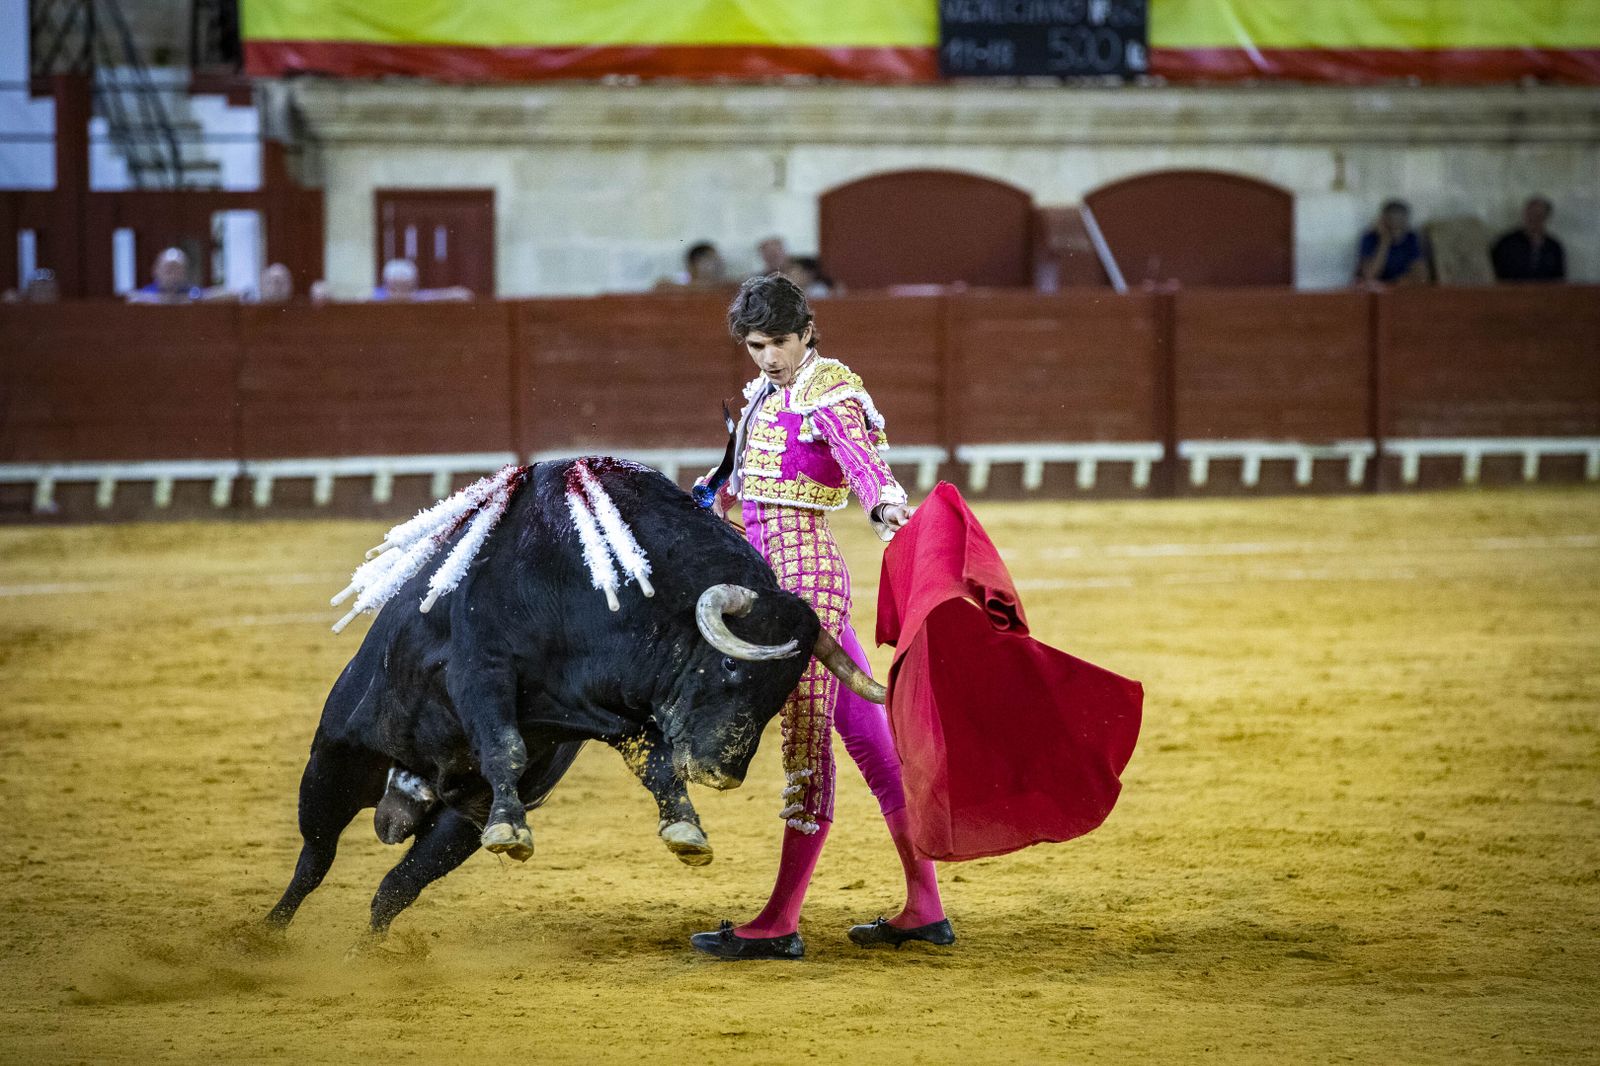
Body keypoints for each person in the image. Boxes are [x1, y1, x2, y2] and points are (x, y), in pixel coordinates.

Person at [689, 273, 950, 960]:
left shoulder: (830, 391)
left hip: (806, 591)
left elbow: (864, 464)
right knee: (872, 741)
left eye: (778, 342)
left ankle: (778, 923)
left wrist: (886, 505)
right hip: (768, 580)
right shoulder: (762, 398)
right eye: (755, 345)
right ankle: (926, 905)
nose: (768, 356)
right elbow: (741, 483)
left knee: (807, 750)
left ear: (805, 333)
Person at [1491, 196, 1566, 283]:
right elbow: (1493, 274)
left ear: (1546, 218)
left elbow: (1559, 280)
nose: (1533, 220)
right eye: (1530, 215)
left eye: (1538, 216)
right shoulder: (1506, 243)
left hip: (1545, 295)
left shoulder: (1554, 247)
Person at [1355, 200, 1429, 286]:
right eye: (1392, 220)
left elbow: (1421, 275)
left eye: (1400, 221)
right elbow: (1369, 275)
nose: (1396, 226)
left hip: (1400, 286)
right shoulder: (1369, 238)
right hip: (1375, 288)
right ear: (1383, 221)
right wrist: (1385, 242)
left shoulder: (1411, 238)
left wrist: (1397, 283)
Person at [372, 258, 472, 302]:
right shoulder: (376, 295)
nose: (400, 292)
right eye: (395, 287)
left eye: (404, 287)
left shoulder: (420, 296)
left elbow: (463, 294)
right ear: (387, 284)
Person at [655, 241, 726, 290]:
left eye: (717, 261)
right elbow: (661, 285)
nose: (718, 266)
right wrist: (702, 286)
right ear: (695, 263)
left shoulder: (722, 283)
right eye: (712, 260)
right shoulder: (682, 279)